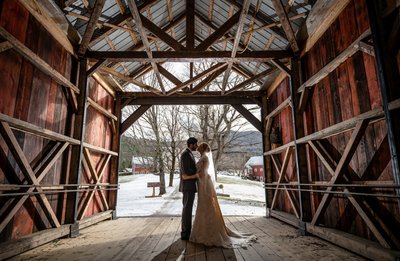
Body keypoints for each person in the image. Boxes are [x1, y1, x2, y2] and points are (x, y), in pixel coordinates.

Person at [190, 142, 256, 248]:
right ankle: (205, 230)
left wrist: (193, 175)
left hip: (204, 184)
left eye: (200, 146)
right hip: (204, 182)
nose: (197, 147)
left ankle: (208, 232)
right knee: (204, 206)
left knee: (205, 206)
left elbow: (202, 172)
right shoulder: (203, 157)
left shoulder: (204, 158)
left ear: (203, 148)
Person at [179, 137, 199, 240]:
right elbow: (186, 171)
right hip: (187, 186)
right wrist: (198, 173)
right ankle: (185, 234)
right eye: (196, 144)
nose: (197, 146)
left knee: (188, 209)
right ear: (191, 144)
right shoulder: (185, 154)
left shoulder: (189, 153)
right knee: (187, 210)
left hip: (190, 186)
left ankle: (187, 232)